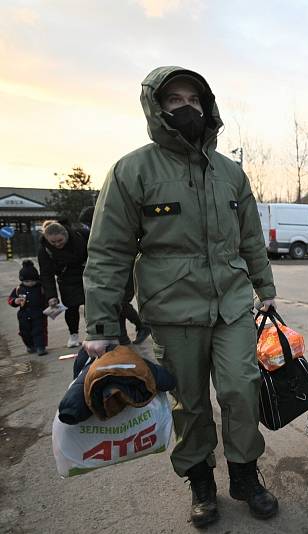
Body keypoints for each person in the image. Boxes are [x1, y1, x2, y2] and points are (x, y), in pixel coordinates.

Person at [82, 66, 278, 528]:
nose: (186, 107)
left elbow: (251, 239)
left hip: (231, 306)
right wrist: (102, 326)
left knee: (240, 391)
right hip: (172, 311)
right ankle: (201, 483)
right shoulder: (133, 170)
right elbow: (109, 251)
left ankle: (246, 477)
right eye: (174, 100)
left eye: (194, 98)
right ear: (157, 108)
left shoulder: (230, 173)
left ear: (207, 105)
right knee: (188, 404)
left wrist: (265, 290)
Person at [78, 206, 151, 345]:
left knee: (119, 302)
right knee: (116, 304)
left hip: (122, 271)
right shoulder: (96, 233)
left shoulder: (111, 231)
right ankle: (123, 336)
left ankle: (138, 327)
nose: (86, 227)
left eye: (87, 224)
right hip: (117, 271)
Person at [38, 220, 87, 348]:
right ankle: (73, 335)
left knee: (92, 307)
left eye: (60, 240)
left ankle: (95, 333)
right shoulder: (44, 250)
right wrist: (52, 296)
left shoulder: (80, 236)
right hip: (66, 280)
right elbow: (46, 274)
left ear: (66, 234)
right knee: (71, 308)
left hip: (88, 274)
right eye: (53, 242)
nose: (57, 244)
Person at [8, 260, 48, 356]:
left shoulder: (40, 288)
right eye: (27, 281)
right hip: (24, 314)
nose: (30, 283)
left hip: (38, 313)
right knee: (25, 331)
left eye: (32, 281)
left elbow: (46, 298)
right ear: (22, 280)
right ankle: (30, 345)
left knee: (39, 330)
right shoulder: (18, 289)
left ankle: (40, 347)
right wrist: (15, 301)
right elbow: (10, 299)